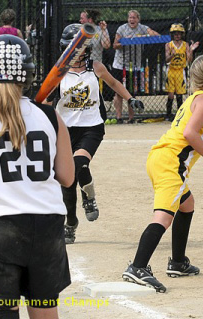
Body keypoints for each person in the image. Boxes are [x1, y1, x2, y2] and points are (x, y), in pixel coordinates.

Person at [0, 34, 75, 319]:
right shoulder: (50, 116)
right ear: (29, 74)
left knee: (1, 312)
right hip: (47, 227)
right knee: (45, 310)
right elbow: (67, 177)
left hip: (0, 228)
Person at [122, 55, 203, 293]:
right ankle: (137, 267)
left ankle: (178, 262)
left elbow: (195, 135)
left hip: (162, 158)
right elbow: (189, 134)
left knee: (187, 205)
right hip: (170, 163)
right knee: (164, 217)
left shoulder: (196, 98)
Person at [47, 24, 144, 244]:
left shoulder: (96, 67)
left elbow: (114, 82)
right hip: (64, 131)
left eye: (81, 48)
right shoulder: (58, 73)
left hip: (92, 127)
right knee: (67, 180)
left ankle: (85, 202)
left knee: (76, 164)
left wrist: (130, 98)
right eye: (74, 49)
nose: (78, 53)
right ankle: (71, 221)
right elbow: (43, 101)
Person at [112, 10, 160, 123]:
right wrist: (126, 41)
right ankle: (119, 117)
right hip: (120, 64)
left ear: (138, 19)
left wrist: (143, 36)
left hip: (134, 65)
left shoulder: (142, 28)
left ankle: (131, 118)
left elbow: (156, 36)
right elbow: (115, 45)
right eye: (130, 18)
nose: (131, 20)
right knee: (118, 92)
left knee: (131, 92)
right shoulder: (122, 29)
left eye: (134, 18)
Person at [164, 23, 199, 121]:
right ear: (172, 34)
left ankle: (180, 114)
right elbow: (166, 59)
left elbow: (189, 60)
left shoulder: (185, 45)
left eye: (179, 33)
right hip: (171, 70)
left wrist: (191, 51)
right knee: (170, 94)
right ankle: (168, 114)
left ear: (182, 34)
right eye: (175, 33)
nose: (177, 35)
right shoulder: (169, 45)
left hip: (180, 71)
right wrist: (172, 55)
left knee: (180, 94)